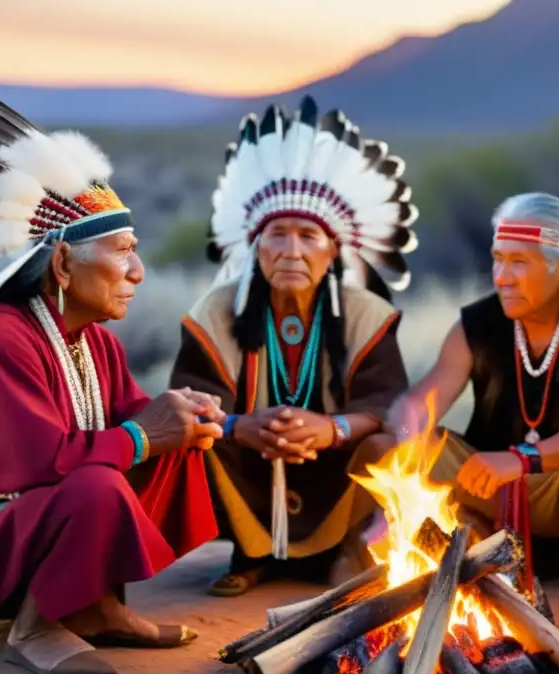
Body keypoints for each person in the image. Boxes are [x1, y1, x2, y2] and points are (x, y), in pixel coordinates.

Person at [0, 91, 224, 674]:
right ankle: (36, 626)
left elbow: (129, 419)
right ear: (63, 265)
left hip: (30, 523)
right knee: (97, 484)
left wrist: (183, 417)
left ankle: (98, 608)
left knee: (165, 450)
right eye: (123, 253)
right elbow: (31, 468)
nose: (138, 272)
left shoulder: (94, 340)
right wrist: (145, 434)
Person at [169, 96, 413, 596]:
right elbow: (189, 401)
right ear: (256, 246)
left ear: (334, 250)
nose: (292, 250)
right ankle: (249, 551)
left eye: (308, 235)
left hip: (334, 467)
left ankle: (347, 545)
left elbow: (387, 403)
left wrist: (332, 427)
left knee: (388, 447)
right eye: (277, 234)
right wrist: (239, 426)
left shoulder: (365, 313)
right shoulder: (215, 313)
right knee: (195, 442)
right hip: (247, 465)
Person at [388, 192, 559, 603]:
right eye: (497, 258)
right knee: (406, 447)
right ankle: (482, 550)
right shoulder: (476, 322)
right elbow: (418, 406)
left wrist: (520, 460)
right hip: (487, 485)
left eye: (519, 262)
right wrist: (405, 438)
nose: (502, 276)